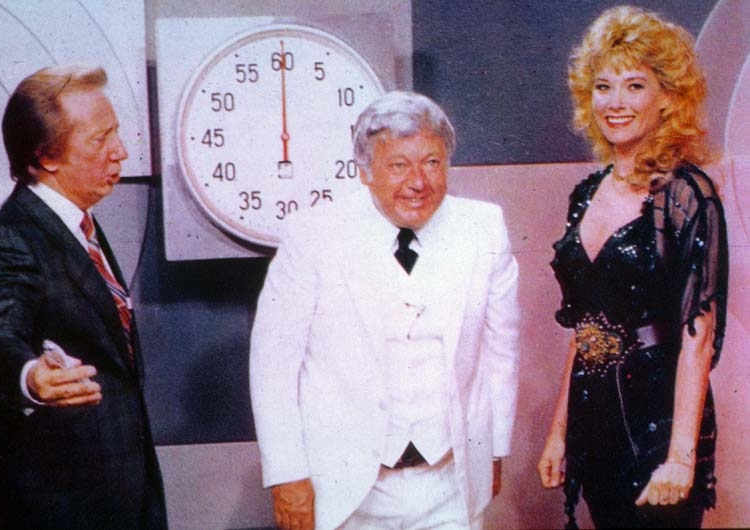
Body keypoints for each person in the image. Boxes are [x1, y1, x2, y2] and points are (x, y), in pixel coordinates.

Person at [249, 91, 520, 530]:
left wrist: (492, 451)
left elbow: (501, 351)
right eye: (398, 165)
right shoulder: (313, 235)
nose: (418, 182)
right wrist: (287, 475)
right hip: (346, 485)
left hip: (449, 480)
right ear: (365, 172)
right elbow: (273, 366)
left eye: (431, 162)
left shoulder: (483, 228)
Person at [537, 6, 728, 528]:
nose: (615, 102)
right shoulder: (585, 195)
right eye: (603, 86)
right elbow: (585, 328)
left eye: (634, 86)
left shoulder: (687, 194)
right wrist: (559, 431)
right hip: (594, 419)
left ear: (667, 97)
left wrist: (681, 458)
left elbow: (698, 336)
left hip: (659, 422)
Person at [0, 65, 167, 530]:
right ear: (47, 157)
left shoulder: (78, 225)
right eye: (101, 139)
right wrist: (30, 376)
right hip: (66, 511)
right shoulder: (8, 238)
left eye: (116, 132)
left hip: (127, 497)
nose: (121, 151)